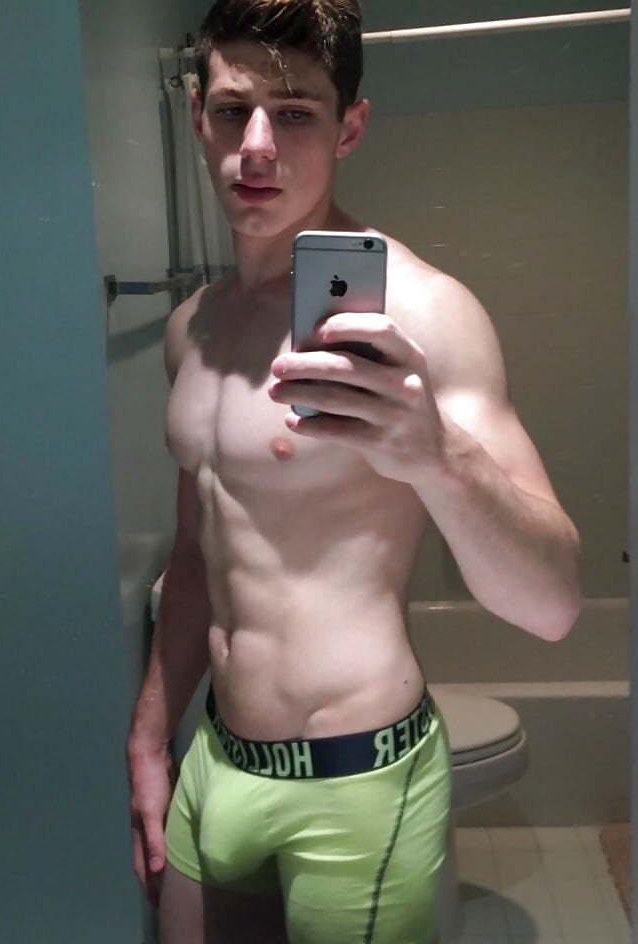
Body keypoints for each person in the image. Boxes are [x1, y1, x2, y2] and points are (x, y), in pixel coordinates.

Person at [126, 1, 583, 941]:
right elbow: (198, 554)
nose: (256, 147)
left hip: (357, 777)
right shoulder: (192, 329)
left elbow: (551, 607)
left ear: (350, 128)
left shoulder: (427, 314)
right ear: (198, 117)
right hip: (216, 760)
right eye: (232, 110)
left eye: (294, 113)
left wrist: (436, 455)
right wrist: (147, 738)